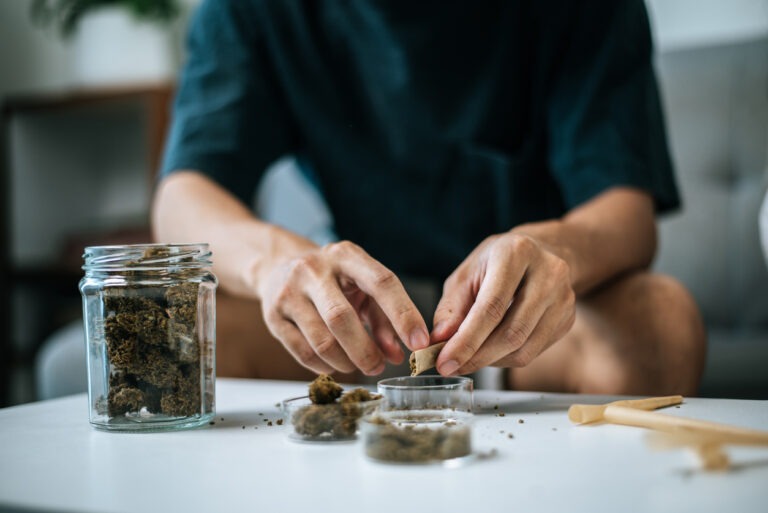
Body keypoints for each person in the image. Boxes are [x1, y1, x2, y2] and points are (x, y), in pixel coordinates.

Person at [153, 0, 706, 395]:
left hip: (534, 338)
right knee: (165, 338)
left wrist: (552, 247)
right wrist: (274, 263)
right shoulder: (251, 11)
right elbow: (182, 198)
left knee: (662, 326)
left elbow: (627, 212)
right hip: (357, 330)